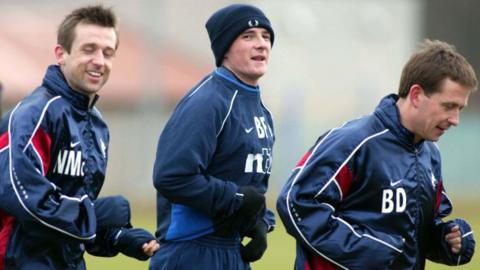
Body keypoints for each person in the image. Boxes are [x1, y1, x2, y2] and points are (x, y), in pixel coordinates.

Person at [277, 40, 476, 270]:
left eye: (460, 109)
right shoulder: (354, 141)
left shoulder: (430, 153)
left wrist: (448, 239)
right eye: (448, 106)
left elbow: (414, 236)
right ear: (416, 95)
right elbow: (296, 202)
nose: (455, 120)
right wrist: (368, 251)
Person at [0, 5, 159, 269]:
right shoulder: (34, 115)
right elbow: (23, 200)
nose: (99, 60)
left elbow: (72, 220)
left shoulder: (97, 125)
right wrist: (94, 215)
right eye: (89, 49)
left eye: (108, 53)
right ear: (61, 54)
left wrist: (116, 237)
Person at [150, 3, 276, 270]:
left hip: (232, 250)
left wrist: (260, 222)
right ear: (225, 48)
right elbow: (171, 176)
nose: (261, 44)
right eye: (248, 36)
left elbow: (252, 188)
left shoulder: (261, 111)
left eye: (266, 37)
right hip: (193, 250)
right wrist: (235, 199)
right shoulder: (209, 101)